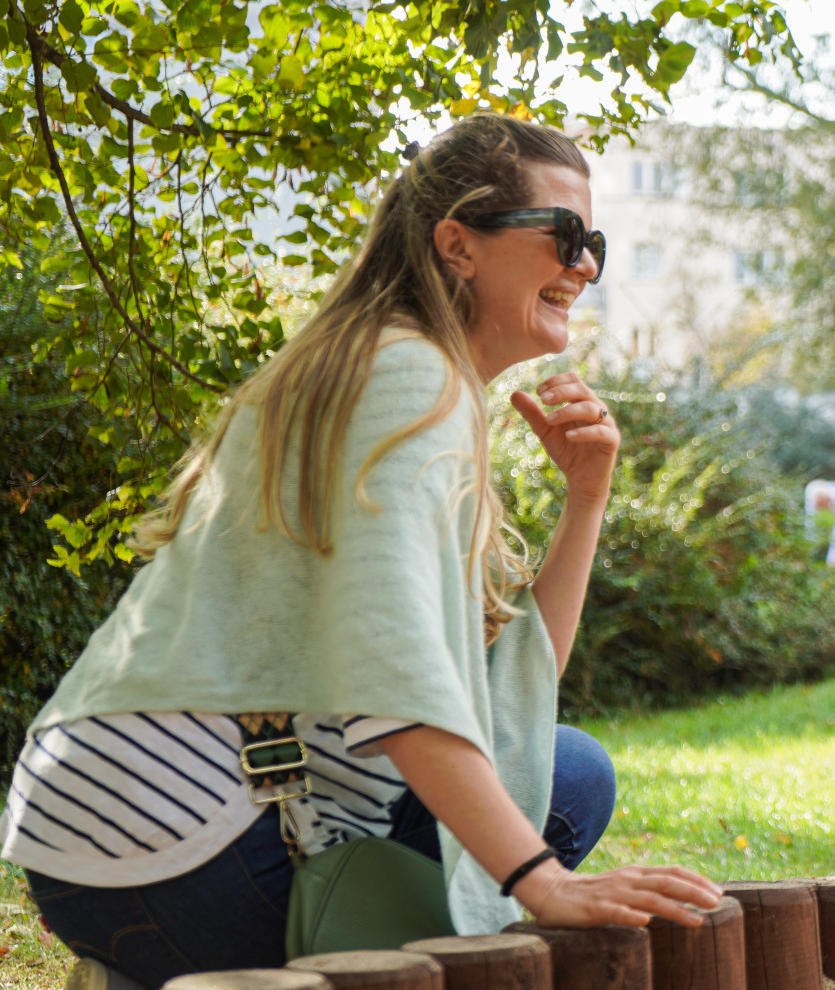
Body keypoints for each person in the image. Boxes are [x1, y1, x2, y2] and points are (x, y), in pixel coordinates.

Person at [0, 114, 722, 986]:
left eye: (594, 241)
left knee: (565, 769)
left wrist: (588, 497)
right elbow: (398, 679)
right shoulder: (407, 380)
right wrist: (541, 882)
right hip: (178, 848)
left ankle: (144, 970)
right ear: (458, 245)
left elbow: (508, 700)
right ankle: (170, 960)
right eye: (565, 235)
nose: (586, 266)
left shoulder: (392, 370)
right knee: (565, 791)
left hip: (103, 839)